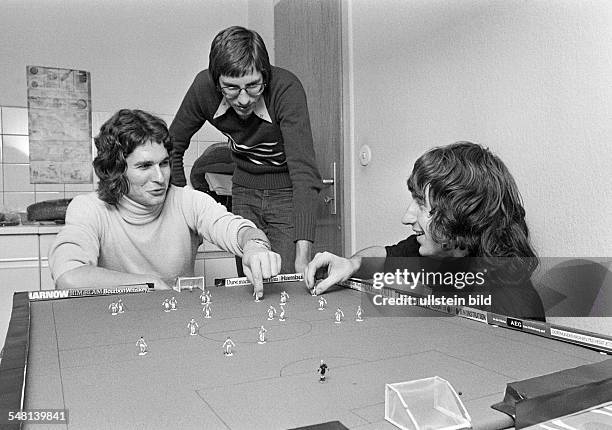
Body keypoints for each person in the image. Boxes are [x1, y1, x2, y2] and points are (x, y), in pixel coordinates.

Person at [49, 109, 280, 299]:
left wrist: (254, 246)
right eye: (144, 166)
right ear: (116, 170)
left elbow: (236, 229)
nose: (160, 177)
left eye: (164, 164)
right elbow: (69, 278)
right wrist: (150, 284)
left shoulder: (186, 200)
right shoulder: (89, 209)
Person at [305, 142, 545, 321]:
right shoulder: (441, 250)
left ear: (460, 216)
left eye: (421, 204)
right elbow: (384, 257)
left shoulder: (512, 307)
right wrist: (352, 264)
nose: (407, 217)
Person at [169, 26, 322, 275]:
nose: (243, 99)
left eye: (253, 86)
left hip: (286, 193)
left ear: (265, 76)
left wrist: (303, 257)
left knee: (284, 279)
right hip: (243, 190)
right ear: (216, 81)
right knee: (251, 277)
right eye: (231, 87)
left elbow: (304, 172)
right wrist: (182, 212)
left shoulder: (287, 89)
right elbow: (172, 145)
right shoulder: (203, 88)